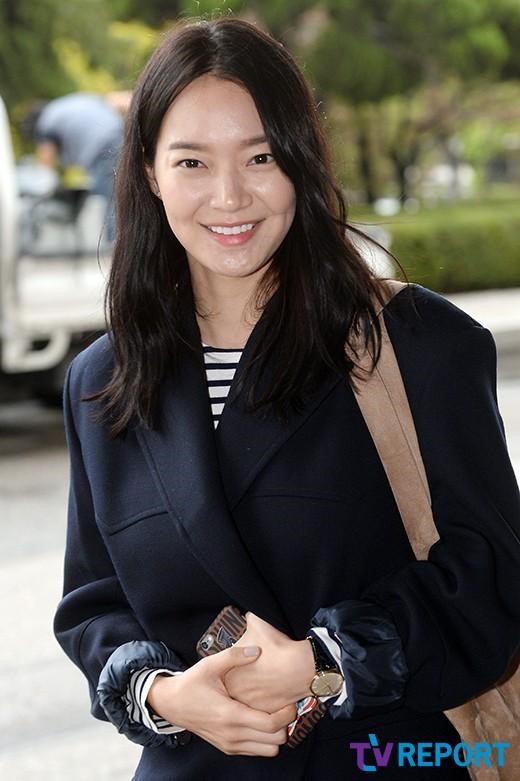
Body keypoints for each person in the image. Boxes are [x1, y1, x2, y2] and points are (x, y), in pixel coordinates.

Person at [53, 17, 520, 781]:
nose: (229, 195)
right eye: (192, 161)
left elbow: (492, 578)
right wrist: (164, 694)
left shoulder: (417, 345)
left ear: (301, 159)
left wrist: (324, 664)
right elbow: (94, 602)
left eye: (261, 156)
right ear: (149, 173)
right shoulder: (102, 379)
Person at [24, 92, 127, 240]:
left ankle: (116, 247)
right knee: (120, 195)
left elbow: (45, 166)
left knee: (112, 202)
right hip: (119, 135)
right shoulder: (66, 105)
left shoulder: (45, 121)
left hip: (102, 148)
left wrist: (44, 185)